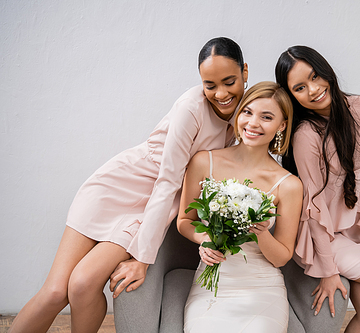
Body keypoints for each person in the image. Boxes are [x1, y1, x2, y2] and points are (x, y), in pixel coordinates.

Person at [8, 37, 248, 333]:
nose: (221, 93)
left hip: (149, 209)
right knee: (56, 292)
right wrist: (143, 260)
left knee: (82, 283)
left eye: (229, 81)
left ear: (245, 73)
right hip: (119, 187)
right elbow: (167, 180)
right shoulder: (191, 107)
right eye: (210, 85)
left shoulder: (248, 112)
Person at [275, 46, 360, 333]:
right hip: (322, 238)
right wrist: (327, 269)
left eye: (315, 76)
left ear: (326, 70)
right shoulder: (305, 135)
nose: (313, 89)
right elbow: (312, 208)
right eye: (299, 87)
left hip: (356, 232)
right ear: (292, 96)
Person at [177, 81, 303, 333]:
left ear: (282, 126)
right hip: (212, 285)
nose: (253, 123)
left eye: (266, 117)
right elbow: (184, 221)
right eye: (247, 112)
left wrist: (261, 232)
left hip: (262, 288)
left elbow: (281, 256)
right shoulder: (204, 161)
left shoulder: (289, 185)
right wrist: (204, 240)